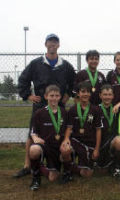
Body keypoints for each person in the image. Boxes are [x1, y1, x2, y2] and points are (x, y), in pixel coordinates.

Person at [15, 33, 76, 178]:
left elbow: (74, 82)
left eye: (55, 42)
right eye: (50, 42)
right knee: (32, 134)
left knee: (59, 132)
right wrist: (27, 95)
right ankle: (27, 165)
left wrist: (68, 94)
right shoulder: (36, 63)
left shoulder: (65, 65)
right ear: (45, 44)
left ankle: (58, 161)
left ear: (58, 45)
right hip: (40, 105)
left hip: (58, 105)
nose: (52, 45)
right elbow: (23, 80)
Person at [60, 81, 102, 181]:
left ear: (90, 94)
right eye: (83, 91)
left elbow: (98, 130)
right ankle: (67, 172)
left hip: (89, 143)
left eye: (88, 92)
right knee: (65, 150)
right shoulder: (72, 110)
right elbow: (69, 128)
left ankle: (72, 166)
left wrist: (96, 149)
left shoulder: (95, 110)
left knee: (87, 174)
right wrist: (66, 139)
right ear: (78, 94)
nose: (85, 94)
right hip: (76, 141)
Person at [29, 85, 67, 190]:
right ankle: (36, 178)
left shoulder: (64, 112)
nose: (54, 98)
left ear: (60, 97)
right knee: (34, 149)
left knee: (52, 178)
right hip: (45, 146)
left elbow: (68, 130)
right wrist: (35, 138)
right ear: (46, 96)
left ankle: (65, 172)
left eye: (56, 95)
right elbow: (33, 132)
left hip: (58, 147)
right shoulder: (39, 113)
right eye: (51, 95)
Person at [97, 84, 120, 177]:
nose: (107, 97)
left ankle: (117, 166)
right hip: (100, 142)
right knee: (102, 172)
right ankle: (106, 162)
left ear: (113, 96)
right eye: (105, 95)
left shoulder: (117, 108)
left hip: (113, 139)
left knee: (119, 141)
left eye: (109, 95)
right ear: (100, 95)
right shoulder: (95, 109)